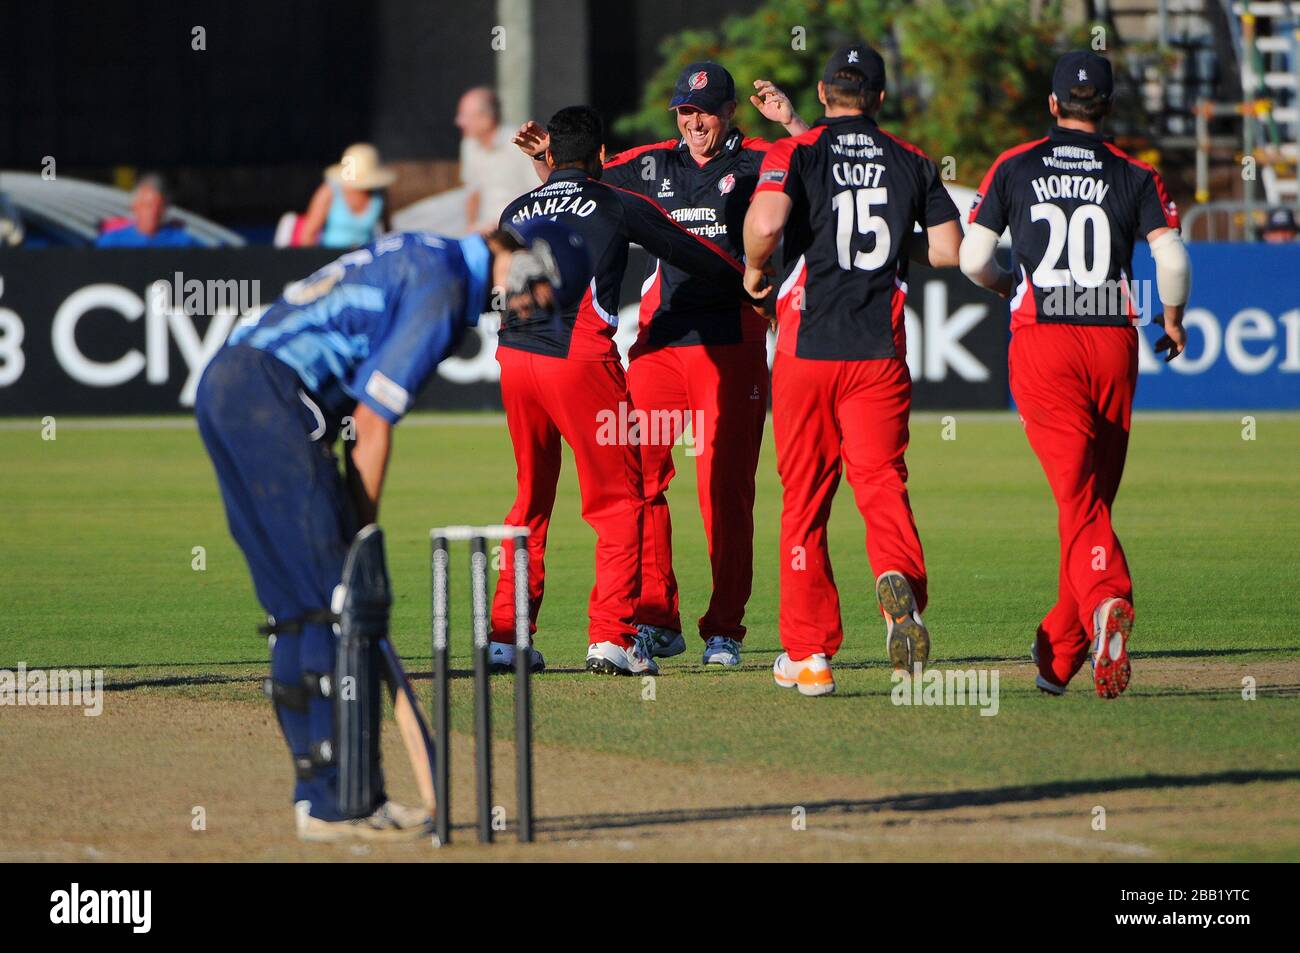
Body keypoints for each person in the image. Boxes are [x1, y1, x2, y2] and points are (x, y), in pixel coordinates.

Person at [195, 222, 588, 842]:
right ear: (516, 256)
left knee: (297, 610)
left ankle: (321, 799)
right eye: (537, 291)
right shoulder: (445, 286)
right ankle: (342, 803)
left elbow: (357, 412)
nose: (525, 308)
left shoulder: (424, 253)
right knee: (340, 606)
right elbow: (373, 422)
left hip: (227, 387)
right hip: (272, 396)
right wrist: (364, 536)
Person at [512, 64, 808, 670]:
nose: (694, 123)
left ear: (730, 112)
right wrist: (550, 160)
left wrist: (795, 125)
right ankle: (652, 617)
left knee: (723, 489)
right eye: (684, 112)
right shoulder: (650, 164)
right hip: (660, 340)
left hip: (731, 337)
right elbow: (577, 190)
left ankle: (724, 628)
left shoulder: (763, 157)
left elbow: (824, 176)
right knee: (639, 480)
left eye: (704, 111)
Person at [959, 50, 1191, 699]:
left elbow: (975, 258)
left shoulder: (1016, 164)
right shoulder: (1134, 172)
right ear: (1108, 106)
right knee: (1088, 497)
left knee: (1077, 496)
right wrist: (1172, 320)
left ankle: (1109, 595)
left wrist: (1007, 282)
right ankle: (1059, 654)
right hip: (1112, 339)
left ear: (1054, 104)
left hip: (1046, 339)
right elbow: (1170, 259)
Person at [490, 105, 750, 677]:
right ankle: (613, 637)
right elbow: (686, 248)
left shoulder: (514, 207)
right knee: (622, 499)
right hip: (578, 358)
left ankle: (507, 636)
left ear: (551, 157)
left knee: (530, 497)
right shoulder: (614, 201)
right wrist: (748, 281)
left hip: (513, 356)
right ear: (602, 158)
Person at [743, 43, 962, 697]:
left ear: (821, 91)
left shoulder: (798, 151)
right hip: (877, 355)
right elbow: (950, 250)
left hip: (807, 352)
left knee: (804, 501)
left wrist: (756, 269)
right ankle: (900, 588)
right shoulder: (912, 161)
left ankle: (809, 655)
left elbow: (765, 221)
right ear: (881, 99)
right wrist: (901, 239)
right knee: (881, 483)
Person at [457, 87, 538, 233]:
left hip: (519, 228)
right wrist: (470, 229)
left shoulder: (519, 143)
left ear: (486, 118)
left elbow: (538, 191)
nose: (459, 121)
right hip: (486, 231)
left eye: (465, 115)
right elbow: (472, 192)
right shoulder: (469, 145)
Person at [297, 143, 395, 248]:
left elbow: (387, 231)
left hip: (365, 257)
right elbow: (308, 235)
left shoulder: (379, 195)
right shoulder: (329, 191)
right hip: (331, 258)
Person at [96, 174, 203, 247]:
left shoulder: (182, 241)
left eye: (159, 206)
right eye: (148, 205)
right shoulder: (112, 241)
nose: (153, 211)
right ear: (135, 207)